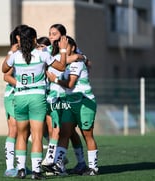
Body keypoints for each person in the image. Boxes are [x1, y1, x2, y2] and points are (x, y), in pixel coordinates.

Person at [2, 26, 68, 180]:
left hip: (20, 97)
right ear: (33, 39)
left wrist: (11, 51)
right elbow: (61, 66)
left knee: (21, 136)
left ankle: (21, 170)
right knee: (37, 136)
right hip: (37, 97)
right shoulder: (41, 55)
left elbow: (4, 68)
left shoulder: (16, 56)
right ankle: (37, 172)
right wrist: (63, 50)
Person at [47, 36, 99, 176]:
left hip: (84, 102)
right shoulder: (65, 63)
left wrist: (55, 79)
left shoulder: (77, 63)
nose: (63, 49)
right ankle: (57, 165)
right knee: (64, 133)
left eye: (66, 46)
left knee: (87, 135)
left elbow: (70, 84)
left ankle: (93, 168)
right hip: (70, 103)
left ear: (73, 48)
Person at [42, 24, 86, 175]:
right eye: (50, 33)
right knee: (59, 130)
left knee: (66, 131)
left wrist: (81, 57)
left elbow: (82, 59)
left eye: (54, 34)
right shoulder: (47, 50)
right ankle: (56, 162)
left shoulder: (70, 49)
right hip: (51, 95)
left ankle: (55, 162)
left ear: (63, 37)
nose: (51, 36)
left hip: (67, 96)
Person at [3, 25, 28, 177]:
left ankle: (22, 166)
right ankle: (10, 167)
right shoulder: (14, 52)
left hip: (27, 96)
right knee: (14, 129)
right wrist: (21, 85)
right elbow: (6, 74)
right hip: (13, 95)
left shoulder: (31, 51)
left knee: (24, 130)